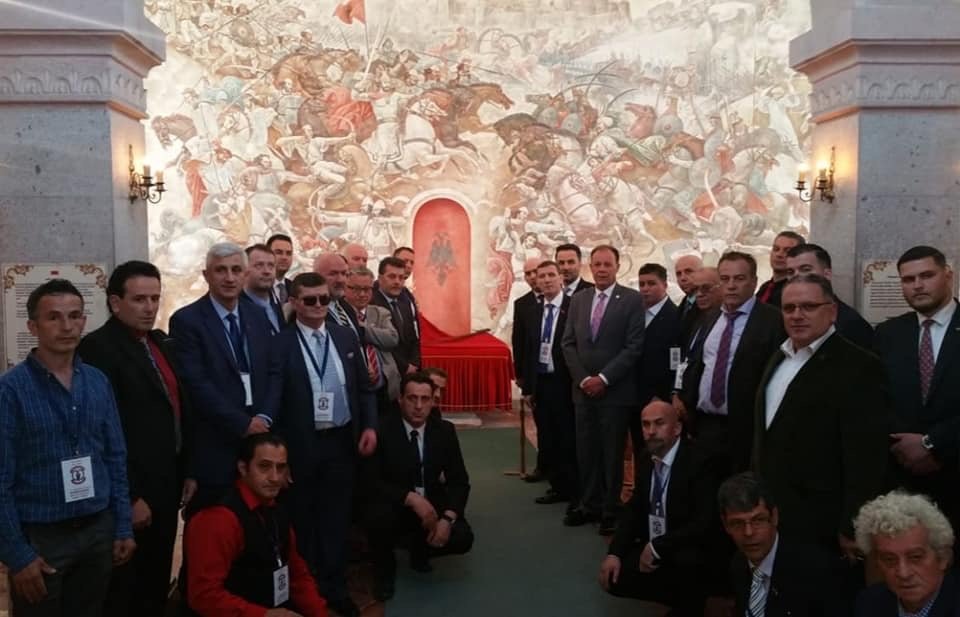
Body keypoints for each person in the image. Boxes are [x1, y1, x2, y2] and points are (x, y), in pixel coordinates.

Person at [0, 279, 135, 617]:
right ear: (33, 326)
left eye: (74, 316)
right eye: (54, 317)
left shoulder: (97, 381)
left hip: (96, 531)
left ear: (84, 321)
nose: (66, 326)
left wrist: (122, 525)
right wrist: (17, 554)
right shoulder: (10, 391)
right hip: (41, 539)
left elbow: (115, 457)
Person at [78, 261, 189, 617]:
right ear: (115, 302)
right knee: (127, 589)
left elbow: (176, 410)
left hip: (167, 482)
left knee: (156, 579)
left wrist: (188, 470)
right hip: (132, 490)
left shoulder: (159, 342)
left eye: (155, 298)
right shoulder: (97, 349)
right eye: (139, 299)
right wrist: (130, 496)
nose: (150, 307)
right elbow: (100, 431)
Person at [753, 274, 890, 559]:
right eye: (789, 308)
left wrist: (852, 523)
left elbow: (865, 456)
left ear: (832, 311)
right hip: (774, 511)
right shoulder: (778, 356)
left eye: (808, 306)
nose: (797, 315)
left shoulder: (859, 366)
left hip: (823, 519)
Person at [266, 272, 378, 617]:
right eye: (310, 300)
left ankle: (335, 589)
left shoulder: (345, 336)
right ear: (295, 302)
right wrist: (278, 457)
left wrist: (370, 426)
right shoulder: (281, 344)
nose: (318, 306)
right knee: (302, 522)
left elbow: (364, 388)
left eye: (324, 299)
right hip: (301, 446)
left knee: (336, 520)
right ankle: (307, 592)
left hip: (342, 443)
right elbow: (274, 401)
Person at [170, 242, 274, 513]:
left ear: (245, 274)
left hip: (259, 440)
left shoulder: (257, 315)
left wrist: (264, 417)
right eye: (221, 270)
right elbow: (196, 383)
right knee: (214, 523)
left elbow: (273, 372)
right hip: (215, 445)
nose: (229, 278)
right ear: (206, 275)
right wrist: (242, 423)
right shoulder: (187, 320)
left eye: (236, 270)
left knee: (257, 524)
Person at [874, 246, 960, 555]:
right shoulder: (888, 333)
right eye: (908, 279)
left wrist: (932, 443)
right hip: (903, 481)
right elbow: (876, 398)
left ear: (948, 275)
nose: (918, 285)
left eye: (927, 275)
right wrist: (904, 445)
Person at [598, 401, 722, 616]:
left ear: (677, 428)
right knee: (614, 578)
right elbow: (634, 510)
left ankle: (691, 603)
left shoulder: (701, 461)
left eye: (659, 423)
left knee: (688, 562)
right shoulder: (646, 457)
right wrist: (615, 553)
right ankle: (681, 596)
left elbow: (704, 522)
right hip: (658, 542)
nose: (651, 431)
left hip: (688, 546)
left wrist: (657, 547)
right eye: (645, 425)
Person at [185, 433, 328, 617]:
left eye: (281, 468)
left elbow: (297, 575)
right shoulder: (219, 519)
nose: (275, 477)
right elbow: (203, 597)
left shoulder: (277, 511)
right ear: (243, 468)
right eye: (264, 467)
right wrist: (264, 615)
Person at [364, 373, 474, 601]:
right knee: (377, 518)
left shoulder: (444, 431)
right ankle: (385, 571)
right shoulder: (382, 429)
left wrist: (447, 519)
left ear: (433, 401)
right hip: (396, 503)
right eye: (412, 398)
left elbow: (459, 481)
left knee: (463, 537)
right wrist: (410, 498)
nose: (418, 406)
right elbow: (369, 481)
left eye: (425, 399)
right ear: (400, 400)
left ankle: (420, 549)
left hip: (432, 504)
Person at [561, 245, 645, 534]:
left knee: (612, 454)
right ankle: (589, 505)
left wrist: (604, 379)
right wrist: (584, 379)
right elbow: (567, 343)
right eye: (597, 264)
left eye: (607, 264)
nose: (601, 269)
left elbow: (634, 346)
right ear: (590, 266)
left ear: (617, 266)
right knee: (586, 451)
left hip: (615, 393)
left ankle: (610, 509)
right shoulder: (579, 300)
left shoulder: (632, 300)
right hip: (582, 392)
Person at [676, 251, 784, 474]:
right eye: (725, 279)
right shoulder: (709, 318)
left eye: (739, 278)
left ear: (754, 281)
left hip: (746, 428)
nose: (731, 286)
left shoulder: (773, 321)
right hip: (705, 427)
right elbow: (695, 363)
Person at [720, 472, 843, 617]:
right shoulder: (738, 565)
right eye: (737, 523)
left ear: (774, 517)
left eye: (758, 520)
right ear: (725, 525)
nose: (748, 532)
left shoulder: (816, 570)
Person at [517, 261, 578, 508]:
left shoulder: (574, 307)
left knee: (568, 437)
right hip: (542, 383)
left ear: (560, 278)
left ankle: (574, 488)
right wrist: (528, 388)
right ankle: (557, 486)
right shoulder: (533, 310)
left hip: (566, 383)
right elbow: (528, 349)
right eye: (541, 276)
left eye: (551, 275)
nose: (546, 280)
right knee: (548, 436)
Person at [854, 491, 958, 616]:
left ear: (943, 557)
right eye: (889, 559)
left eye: (915, 557)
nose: (903, 574)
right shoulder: (869, 603)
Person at [631, 263, 681, 475]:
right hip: (634, 395)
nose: (645, 289)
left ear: (665, 285)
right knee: (639, 449)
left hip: (658, 398)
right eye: (642, 284)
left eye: (651, 283)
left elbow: (676, 362)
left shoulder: (675, 317)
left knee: (660, 450)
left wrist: (664, 394)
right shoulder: (635, 315)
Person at [785, 243, 873, 349]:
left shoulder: (852, 325)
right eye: (790, 272)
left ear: (827, 275)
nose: (796, 277)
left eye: (806, 270)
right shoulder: (782, 318)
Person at [342, 266, 401, 403]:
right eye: (356, 289)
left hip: (385, 386)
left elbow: (392, 338)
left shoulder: (380, 312)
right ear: (345, 288)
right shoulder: (339, 315)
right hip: (353, 385)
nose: (362, 294)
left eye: (367, 289)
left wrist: (361, 328)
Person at [512, 256, 546, 482]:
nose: (533, 277)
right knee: (540, 422)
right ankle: (543, 466)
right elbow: (519, 342)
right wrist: (521, 376)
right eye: (528, 274)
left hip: (558, 376)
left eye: (536, 272)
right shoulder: (522, 304)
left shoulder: (564, 301)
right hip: (533, 375)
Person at [372, 256, 421, 375]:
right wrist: (404, 367)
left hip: (411, 371)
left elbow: (413, 337)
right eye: (392, 276)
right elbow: (380, 343)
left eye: (401, 277)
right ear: (380, 279)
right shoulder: (372, 304)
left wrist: (414, 364)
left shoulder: (405, 302)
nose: (397, 282)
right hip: (387, 371)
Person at [242, 243, 284, 335]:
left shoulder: (276, 303)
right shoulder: (235, 307)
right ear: (244, 269)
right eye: (259, 265)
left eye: (271, 266)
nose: (267, 271)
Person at [756, 230, 805, 307]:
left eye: (787, 251)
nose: (779, 254)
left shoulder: (797, 291)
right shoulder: (765, 287)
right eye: (776, 249)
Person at [313, 252, 356, 334]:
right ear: (316, 276)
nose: (340, 280)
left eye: (344, 273)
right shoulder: (310, 310)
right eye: (333, 274)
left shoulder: (347, 307)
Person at [673, 254, 703, 341]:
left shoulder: (709, 305)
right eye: (678, 274)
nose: (682, 278)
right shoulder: (683, 305)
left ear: (702, 273)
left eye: (688, 271)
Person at [268, 233, 295, 304]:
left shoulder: (295, 288)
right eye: (279, 252)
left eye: (288, 253)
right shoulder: (258, 287)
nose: (284, 257)